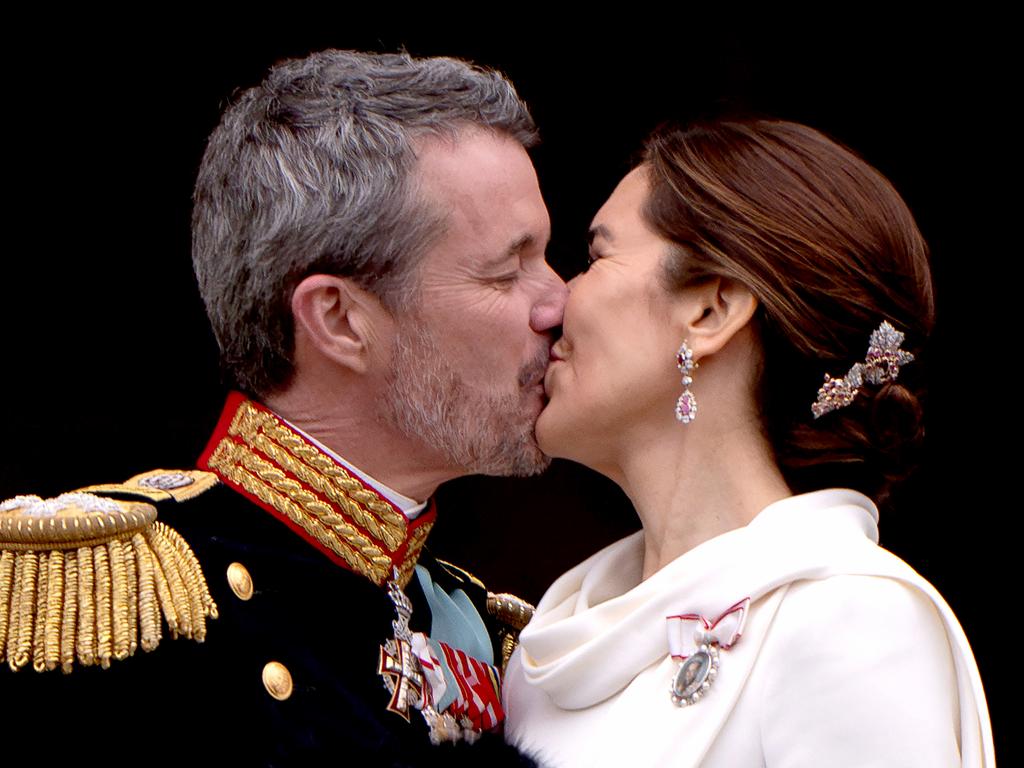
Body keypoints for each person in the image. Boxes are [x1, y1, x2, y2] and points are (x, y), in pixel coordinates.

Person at [1, 49, 564, 765]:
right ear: (338, 320)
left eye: (545, 257)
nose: (559, 302)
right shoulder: (109, 600)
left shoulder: (484, 630)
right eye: (507, 269)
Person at [502, 119, 994, 766]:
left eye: (596, 258)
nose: (554, 301)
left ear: (711, 312)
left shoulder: (850, 622)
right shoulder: (547, 643)